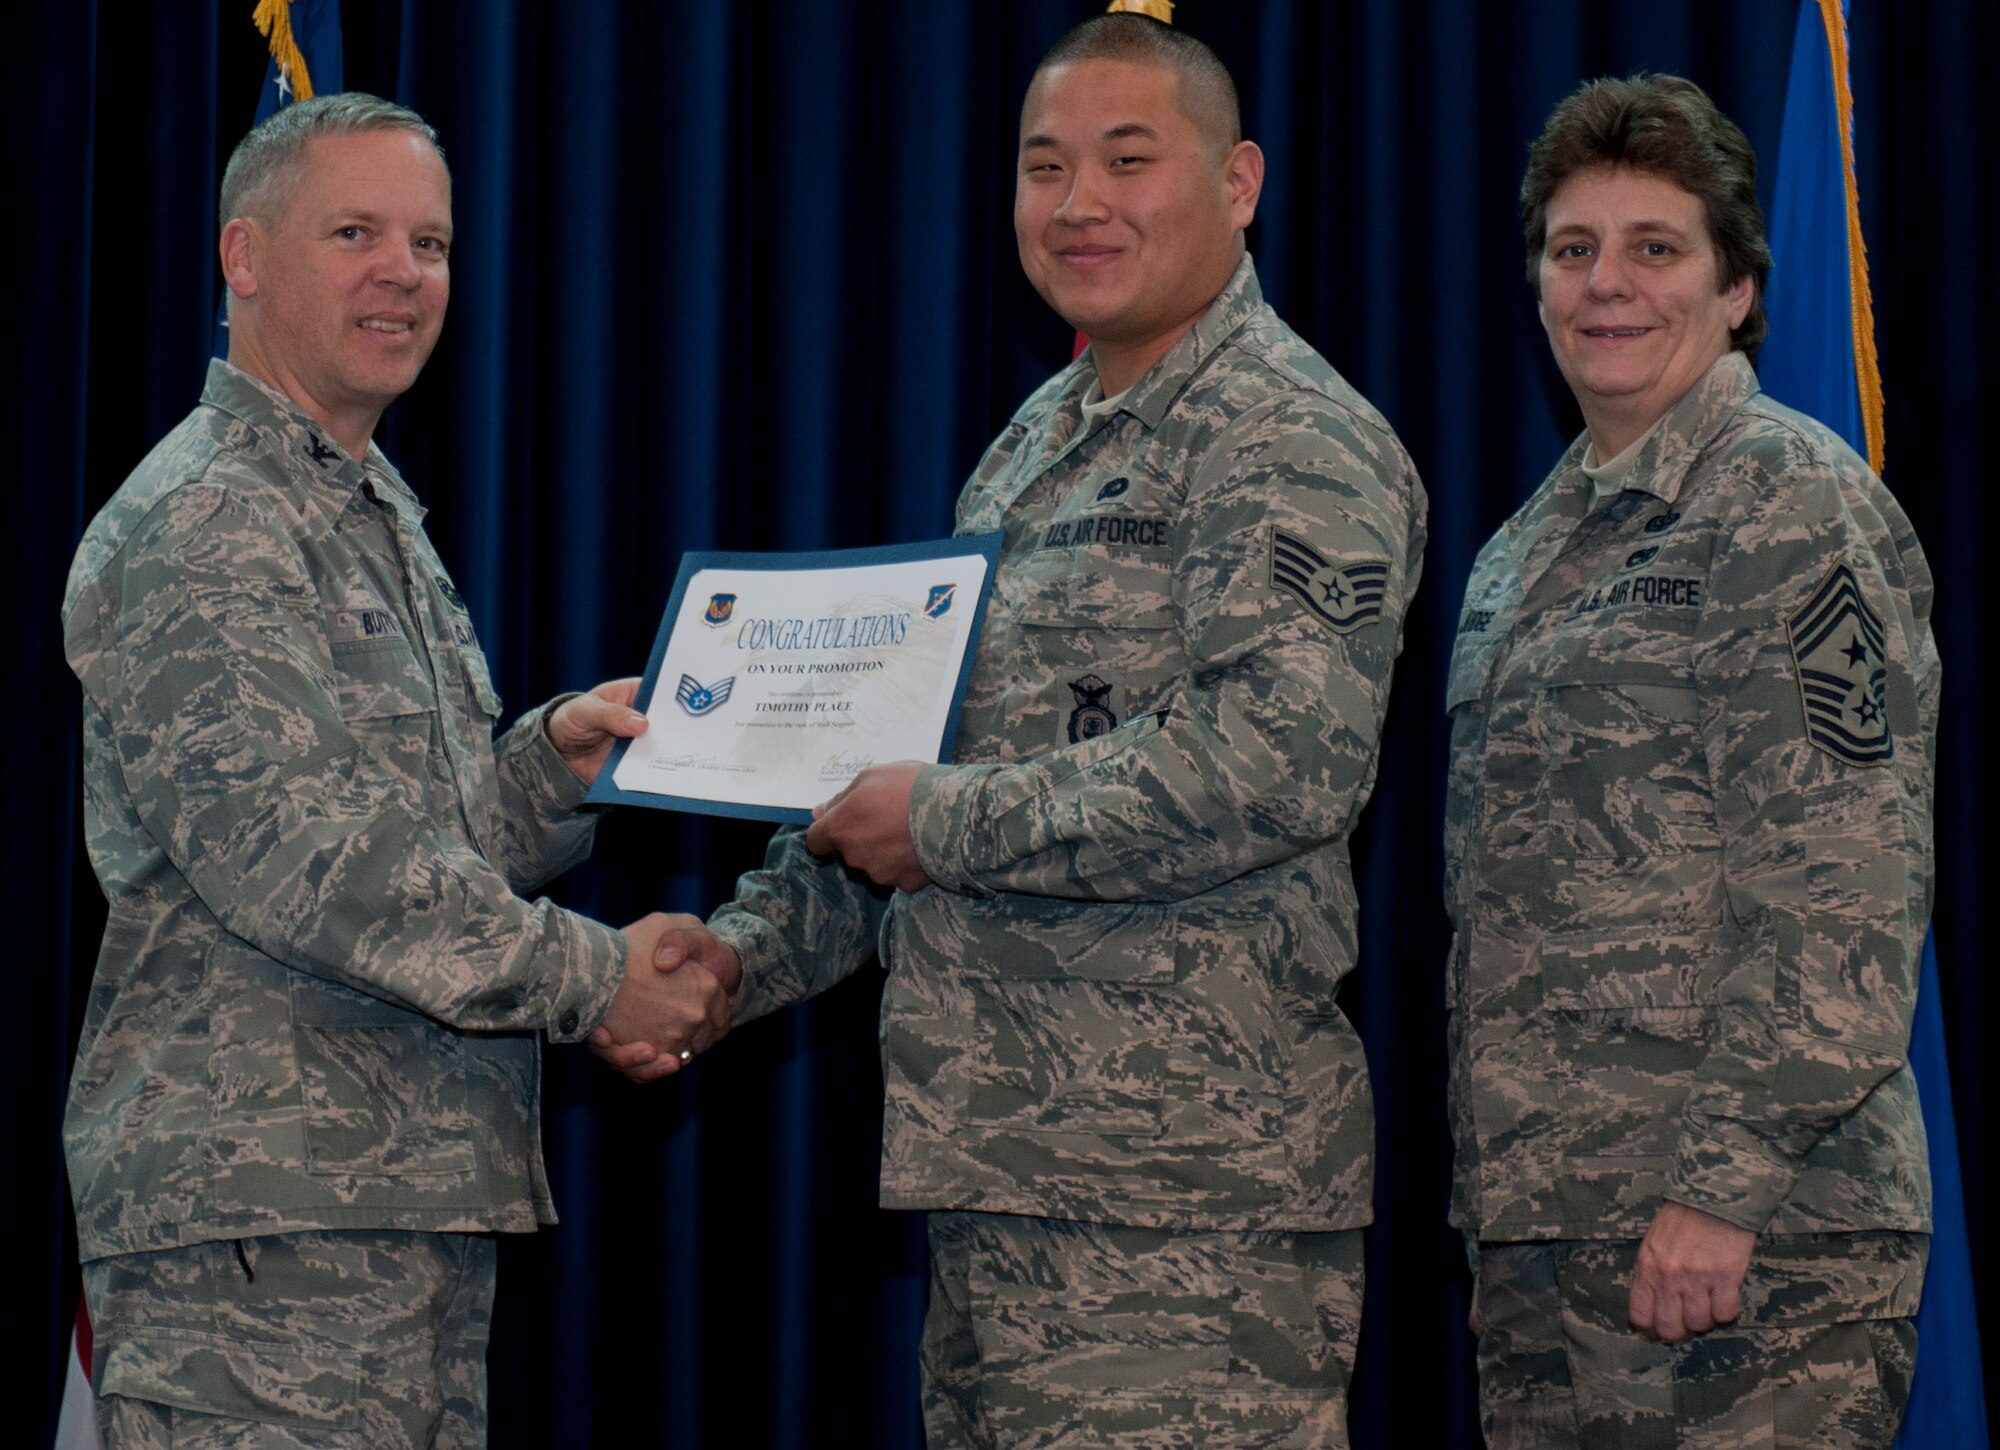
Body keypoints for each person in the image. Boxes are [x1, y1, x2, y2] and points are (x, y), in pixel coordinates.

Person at [595, 14, 1425, 1446]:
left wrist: (937, 818)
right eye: (1045, 166)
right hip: (1000, 1189)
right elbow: (907, 792)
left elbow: (1277, 761)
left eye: (1126, 158)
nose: (1078, 202)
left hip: (1184, 1217)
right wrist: (740, 952)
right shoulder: (1029, 449)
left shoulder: (1290, 438)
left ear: (1239, 183)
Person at [61, 93, 734, 1446]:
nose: (403, 273)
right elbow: (310, 864)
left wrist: (552, 765)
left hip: (391, 1204)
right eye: (356, 232)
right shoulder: (211, 520)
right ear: (243, 257)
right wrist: (596, 978)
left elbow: (418, 830)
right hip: (263, 1233)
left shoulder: (363, 509)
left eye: (428, 243)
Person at [1444, 74, 1935, 1447]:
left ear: (1738, 292)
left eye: (1656, 248)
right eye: (1573, 249)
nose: (1608, 285)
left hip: (1760, 1254)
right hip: (1559, 1251)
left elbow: (1848, 888)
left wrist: (1720, 1188)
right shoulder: (1516, 557)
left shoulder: (1791, 502)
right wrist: (1508, 1222)